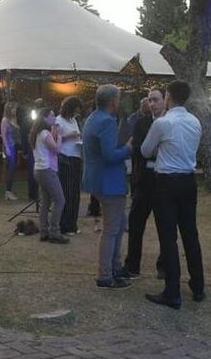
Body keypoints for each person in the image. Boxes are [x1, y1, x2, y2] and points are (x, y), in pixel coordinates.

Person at [141, 80, 204, 307]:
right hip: (188, 180)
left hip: (167, 181)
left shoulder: (163, 123)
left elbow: (146, 150)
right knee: (190, 234)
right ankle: (198, 286)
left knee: (168, 236)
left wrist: (161, 148)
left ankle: (172, 291)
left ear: (168, 96)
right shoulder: (195, 121)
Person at [83, 84, 133, 289]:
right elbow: (110, 155)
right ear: (113, 101)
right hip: (109, 182)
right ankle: (105, 275)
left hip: (98, 180)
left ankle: (115, 267)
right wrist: (128, 148)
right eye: (119, 99)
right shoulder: (107, 121)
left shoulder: (93, 118)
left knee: (118, 225)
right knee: (112, 229)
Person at [124, 88, 166, 278]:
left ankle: (164, 265)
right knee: (135, 222)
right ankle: (132, 265)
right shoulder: (141, 122)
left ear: (165, 101)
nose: (152, 103)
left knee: (165, 225)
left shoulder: (170, 123)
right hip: (144, 178)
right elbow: (138, 149)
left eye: (156, 99)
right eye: (150, 100)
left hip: (164, 179)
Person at [31, 106, 68, 244]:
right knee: (60, 200)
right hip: (46, 170)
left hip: (38, 169)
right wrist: (59, 137)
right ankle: (54, 232)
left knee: (45, 202)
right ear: (45, 118)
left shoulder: (37, 133)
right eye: (52, 115)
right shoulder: (45, 133)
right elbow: (57, 149)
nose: (54, 117)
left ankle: (44, 232)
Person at [56, 96, 84, 235]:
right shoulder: (58, 120)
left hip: (76, 156)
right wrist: (69, 136)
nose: (77, 112)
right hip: (65, 157)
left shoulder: (74, 120)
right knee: (67, 192)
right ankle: (64, 224)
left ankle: (73, 223)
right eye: (76, 109)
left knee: (75, 192)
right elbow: (55, 138)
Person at [0, 101, 19, 201]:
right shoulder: (5, 120)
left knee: (13, 169)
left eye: (15, 108)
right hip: (9, 146)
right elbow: (3, 135)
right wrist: (6, 148)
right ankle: (8, 191)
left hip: (14, 146)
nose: (15, 110)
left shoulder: (14, 120)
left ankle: (10, 190)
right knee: (10, 169)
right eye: (13, 108)